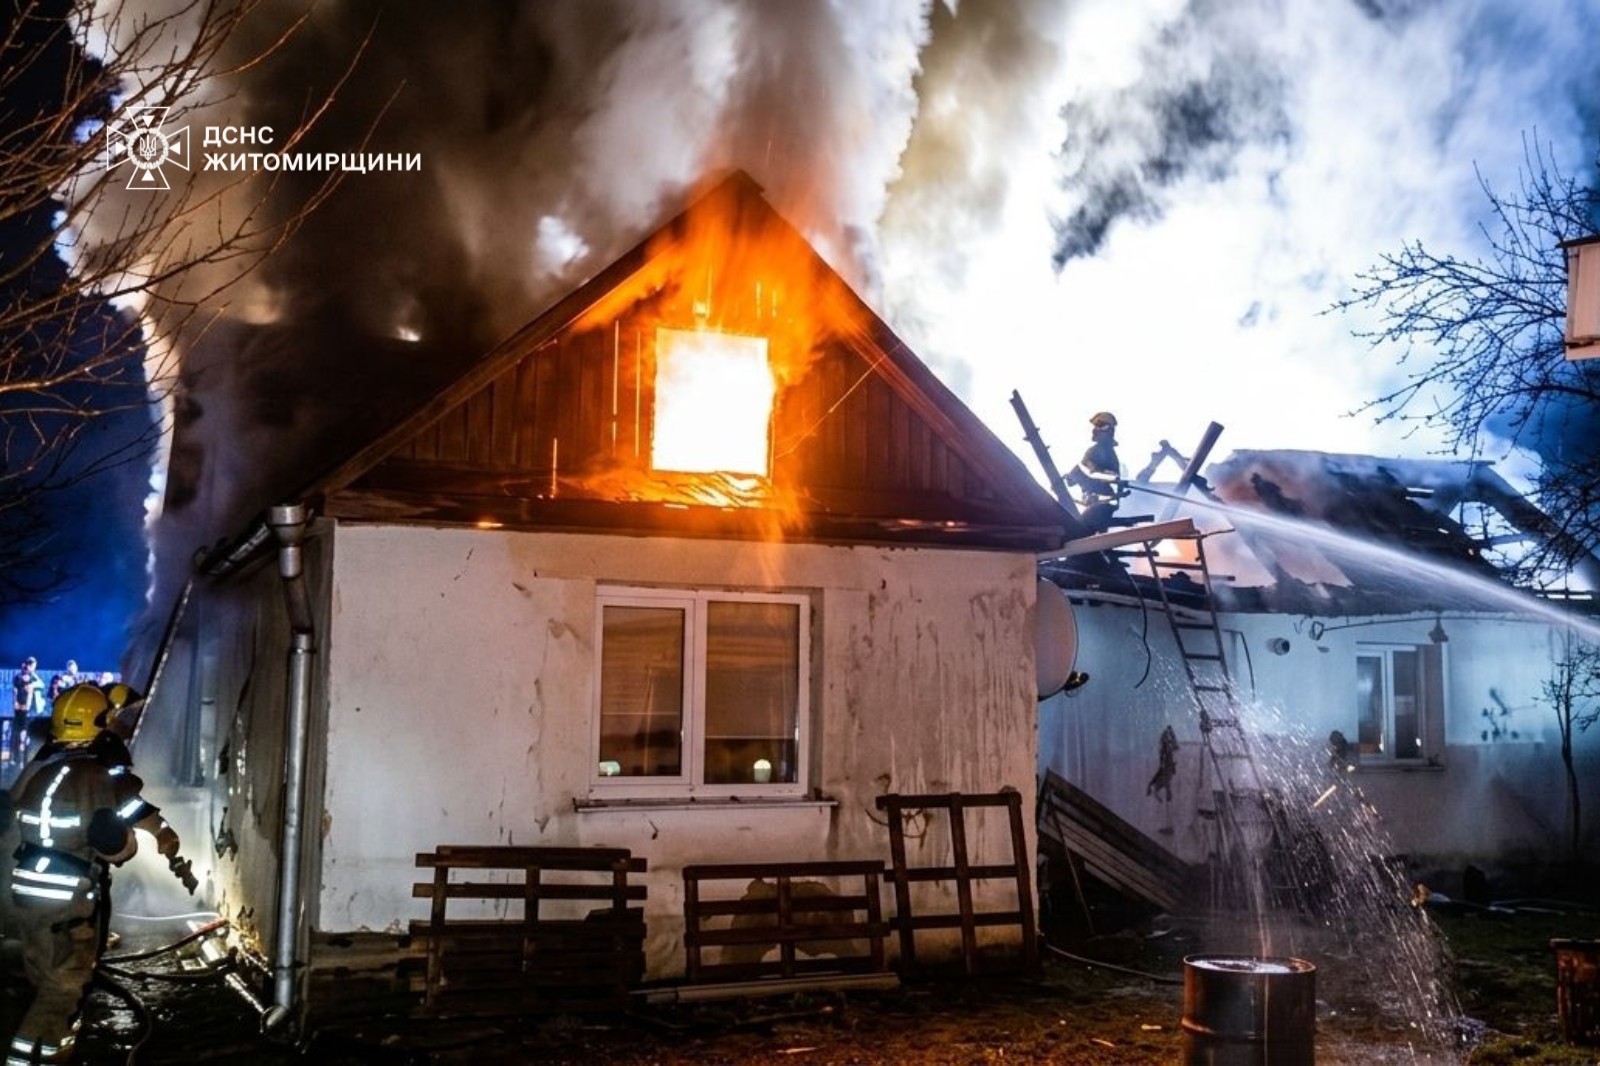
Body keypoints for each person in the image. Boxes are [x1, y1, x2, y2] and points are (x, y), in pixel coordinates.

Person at [2, 683, 195, 1064]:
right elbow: (115, 840)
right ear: (100, 721)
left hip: (25, 889)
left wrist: (160, 829)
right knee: (67, 982)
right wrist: (143, 839)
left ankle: (57, 1042)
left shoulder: (39, 770)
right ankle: (31, 1055)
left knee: (44, 973)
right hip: (68, 896)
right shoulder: (95, 774)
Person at [1068, 411, 1127, 534]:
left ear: (1107, 430)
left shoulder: (1105, 452)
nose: (1094, 430)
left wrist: (1077, 475)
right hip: (1095, 503)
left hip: (1102, 504)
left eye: (1099, 426)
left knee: (1079, 532)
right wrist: (1071, 476)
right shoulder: (1095, 451)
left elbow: (1109, 477)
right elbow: (1080, 473)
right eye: (1095, 426)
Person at [8, 660, 44, 769]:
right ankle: (15, 758)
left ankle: (23, 760)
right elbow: (15, 691)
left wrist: (27, 706)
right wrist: (15, 703)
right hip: (19, 708)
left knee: (25, 734)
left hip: (28, 710)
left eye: (32, 667)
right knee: (16, 732)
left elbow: (37, 687)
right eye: (28, 666)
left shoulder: (33, 677)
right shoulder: (18, 677)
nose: (28, 669)